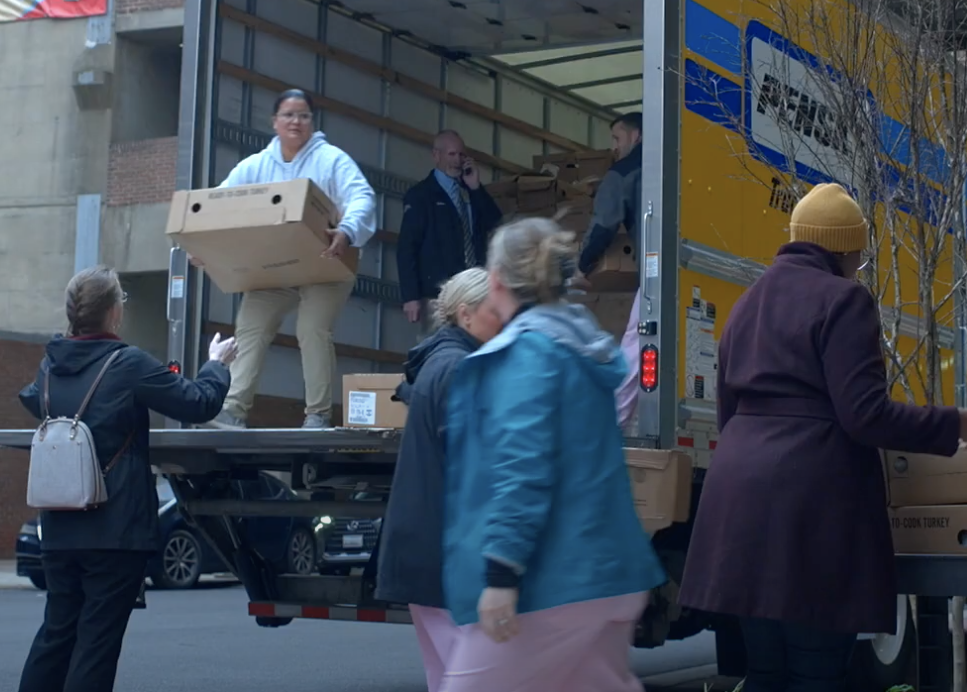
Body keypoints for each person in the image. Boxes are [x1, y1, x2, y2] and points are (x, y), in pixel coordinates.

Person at [678, 182, 967, 692]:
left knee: (766, 674)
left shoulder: (747, 302)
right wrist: (952, 425)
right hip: (809, 509)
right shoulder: (845, 300)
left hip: (738, 503)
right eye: (859, 255)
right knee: (815, 673)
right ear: (844, 250)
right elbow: (863, 414)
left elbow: (726, 411)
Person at [440, 217, 665, 692]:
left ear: (496, 279)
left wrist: (501, 573)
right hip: (605, 573)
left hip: (551, 582)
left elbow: (522, 470)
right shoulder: (583, 351)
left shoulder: (527, 356)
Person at [17, 265, 236, 692]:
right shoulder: (127, 364)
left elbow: (31, 399)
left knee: (56, 636)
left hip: (59, 528)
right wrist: (217, 364)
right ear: (114, 313)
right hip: (115, 530)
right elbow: (198, 402)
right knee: (96, 644)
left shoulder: (49, 367)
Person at [205, 88, 377, 430]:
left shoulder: (331, 160)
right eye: (288, 115)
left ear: (312, 122)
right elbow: (219, 203)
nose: (295, 121)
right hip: (277, 269)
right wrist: (206, 245)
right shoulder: (256, 165)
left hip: (327, 264)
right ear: (275, 122)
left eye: (303, 115)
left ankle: (318, 414)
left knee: (311, 328)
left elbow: (362, 197)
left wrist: (346, 230)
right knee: (250, 326)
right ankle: (232, 410)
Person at [375, 267, 504, 692]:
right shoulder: (460, 370)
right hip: (450, 557)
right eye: (496, 310)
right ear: (465, 314)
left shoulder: (438, 362)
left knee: (448, 676)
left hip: (426, 550)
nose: (506, 318)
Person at [573, 112, 644, 431]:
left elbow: (603, 224)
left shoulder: (624, 172)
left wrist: (580, 265)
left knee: (636, 343)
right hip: (688, 270)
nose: (613, 147)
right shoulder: (676, 164)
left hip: (659, 272)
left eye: (617, 138)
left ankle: (611, 424)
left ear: (636, 137)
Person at [398, 130, 503, 332]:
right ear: (436, 156)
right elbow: (407, 246)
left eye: (462, 155)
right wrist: (410, 296)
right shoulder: (421, 195)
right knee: (438, 351)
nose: (458, 161)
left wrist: (476, 188)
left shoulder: (470, 192)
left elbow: (496, 224)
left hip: (472, 293)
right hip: (437, 295)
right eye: (452, 154)